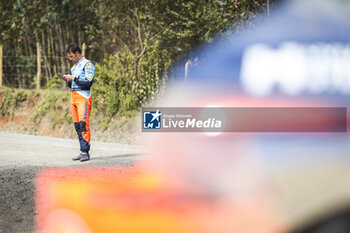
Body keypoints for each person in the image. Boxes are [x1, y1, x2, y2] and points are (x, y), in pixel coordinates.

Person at [63, 43, 94, 162]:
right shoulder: (74, 67)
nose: (70, 59)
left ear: (77, 53)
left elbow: (88, 82)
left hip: (83, 97)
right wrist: (68, 80)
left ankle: (86, 152)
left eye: (71, 57)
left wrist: (74, 78)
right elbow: (73, 83)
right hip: (73, 96)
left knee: (83, 124)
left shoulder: (88, 64)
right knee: (77, 126)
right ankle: (82, 151)